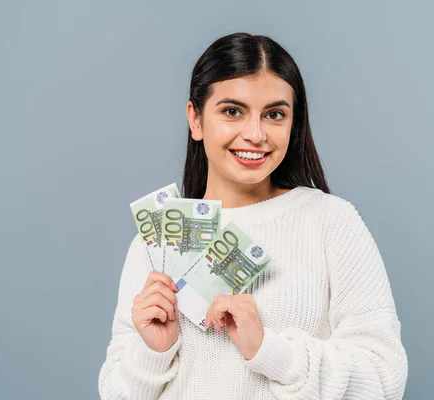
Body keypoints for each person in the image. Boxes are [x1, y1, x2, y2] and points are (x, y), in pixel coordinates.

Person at [98, 32, 408, 399]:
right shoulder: (155, 244)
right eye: (232, 111)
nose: (256, 134)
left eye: (274, 114)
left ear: (293, 124)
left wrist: (270, 352)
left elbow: (385, 379)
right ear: (195, 120)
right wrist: (155, 352)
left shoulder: (331, 222)